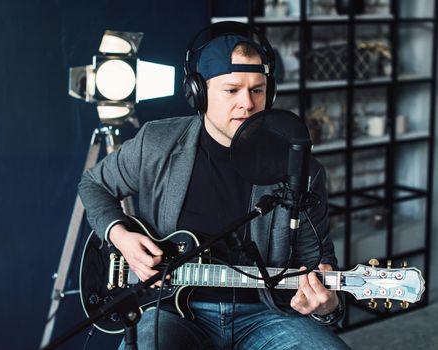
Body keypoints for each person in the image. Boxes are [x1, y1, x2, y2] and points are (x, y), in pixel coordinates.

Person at [78, 24, 350, 350]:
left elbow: (318, 262)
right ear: (199, 93)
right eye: (232, 90)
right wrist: (120, 237)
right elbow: (93, 183)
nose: (247, 104)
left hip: (265, 314)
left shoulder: (302, 169)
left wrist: (327, 305)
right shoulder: (156, 143)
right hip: (172, 312)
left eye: (257, 90)